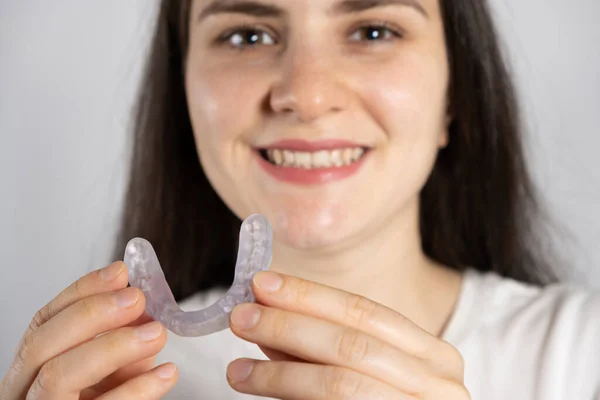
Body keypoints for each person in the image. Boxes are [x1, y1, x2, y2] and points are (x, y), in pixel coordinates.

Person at [2, 0, 599, 399]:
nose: (306, 95)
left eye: (373, 30)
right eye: (247, 35)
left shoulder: (582, 356)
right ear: (182, 94)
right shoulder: (101, 385)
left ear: (455, 95)